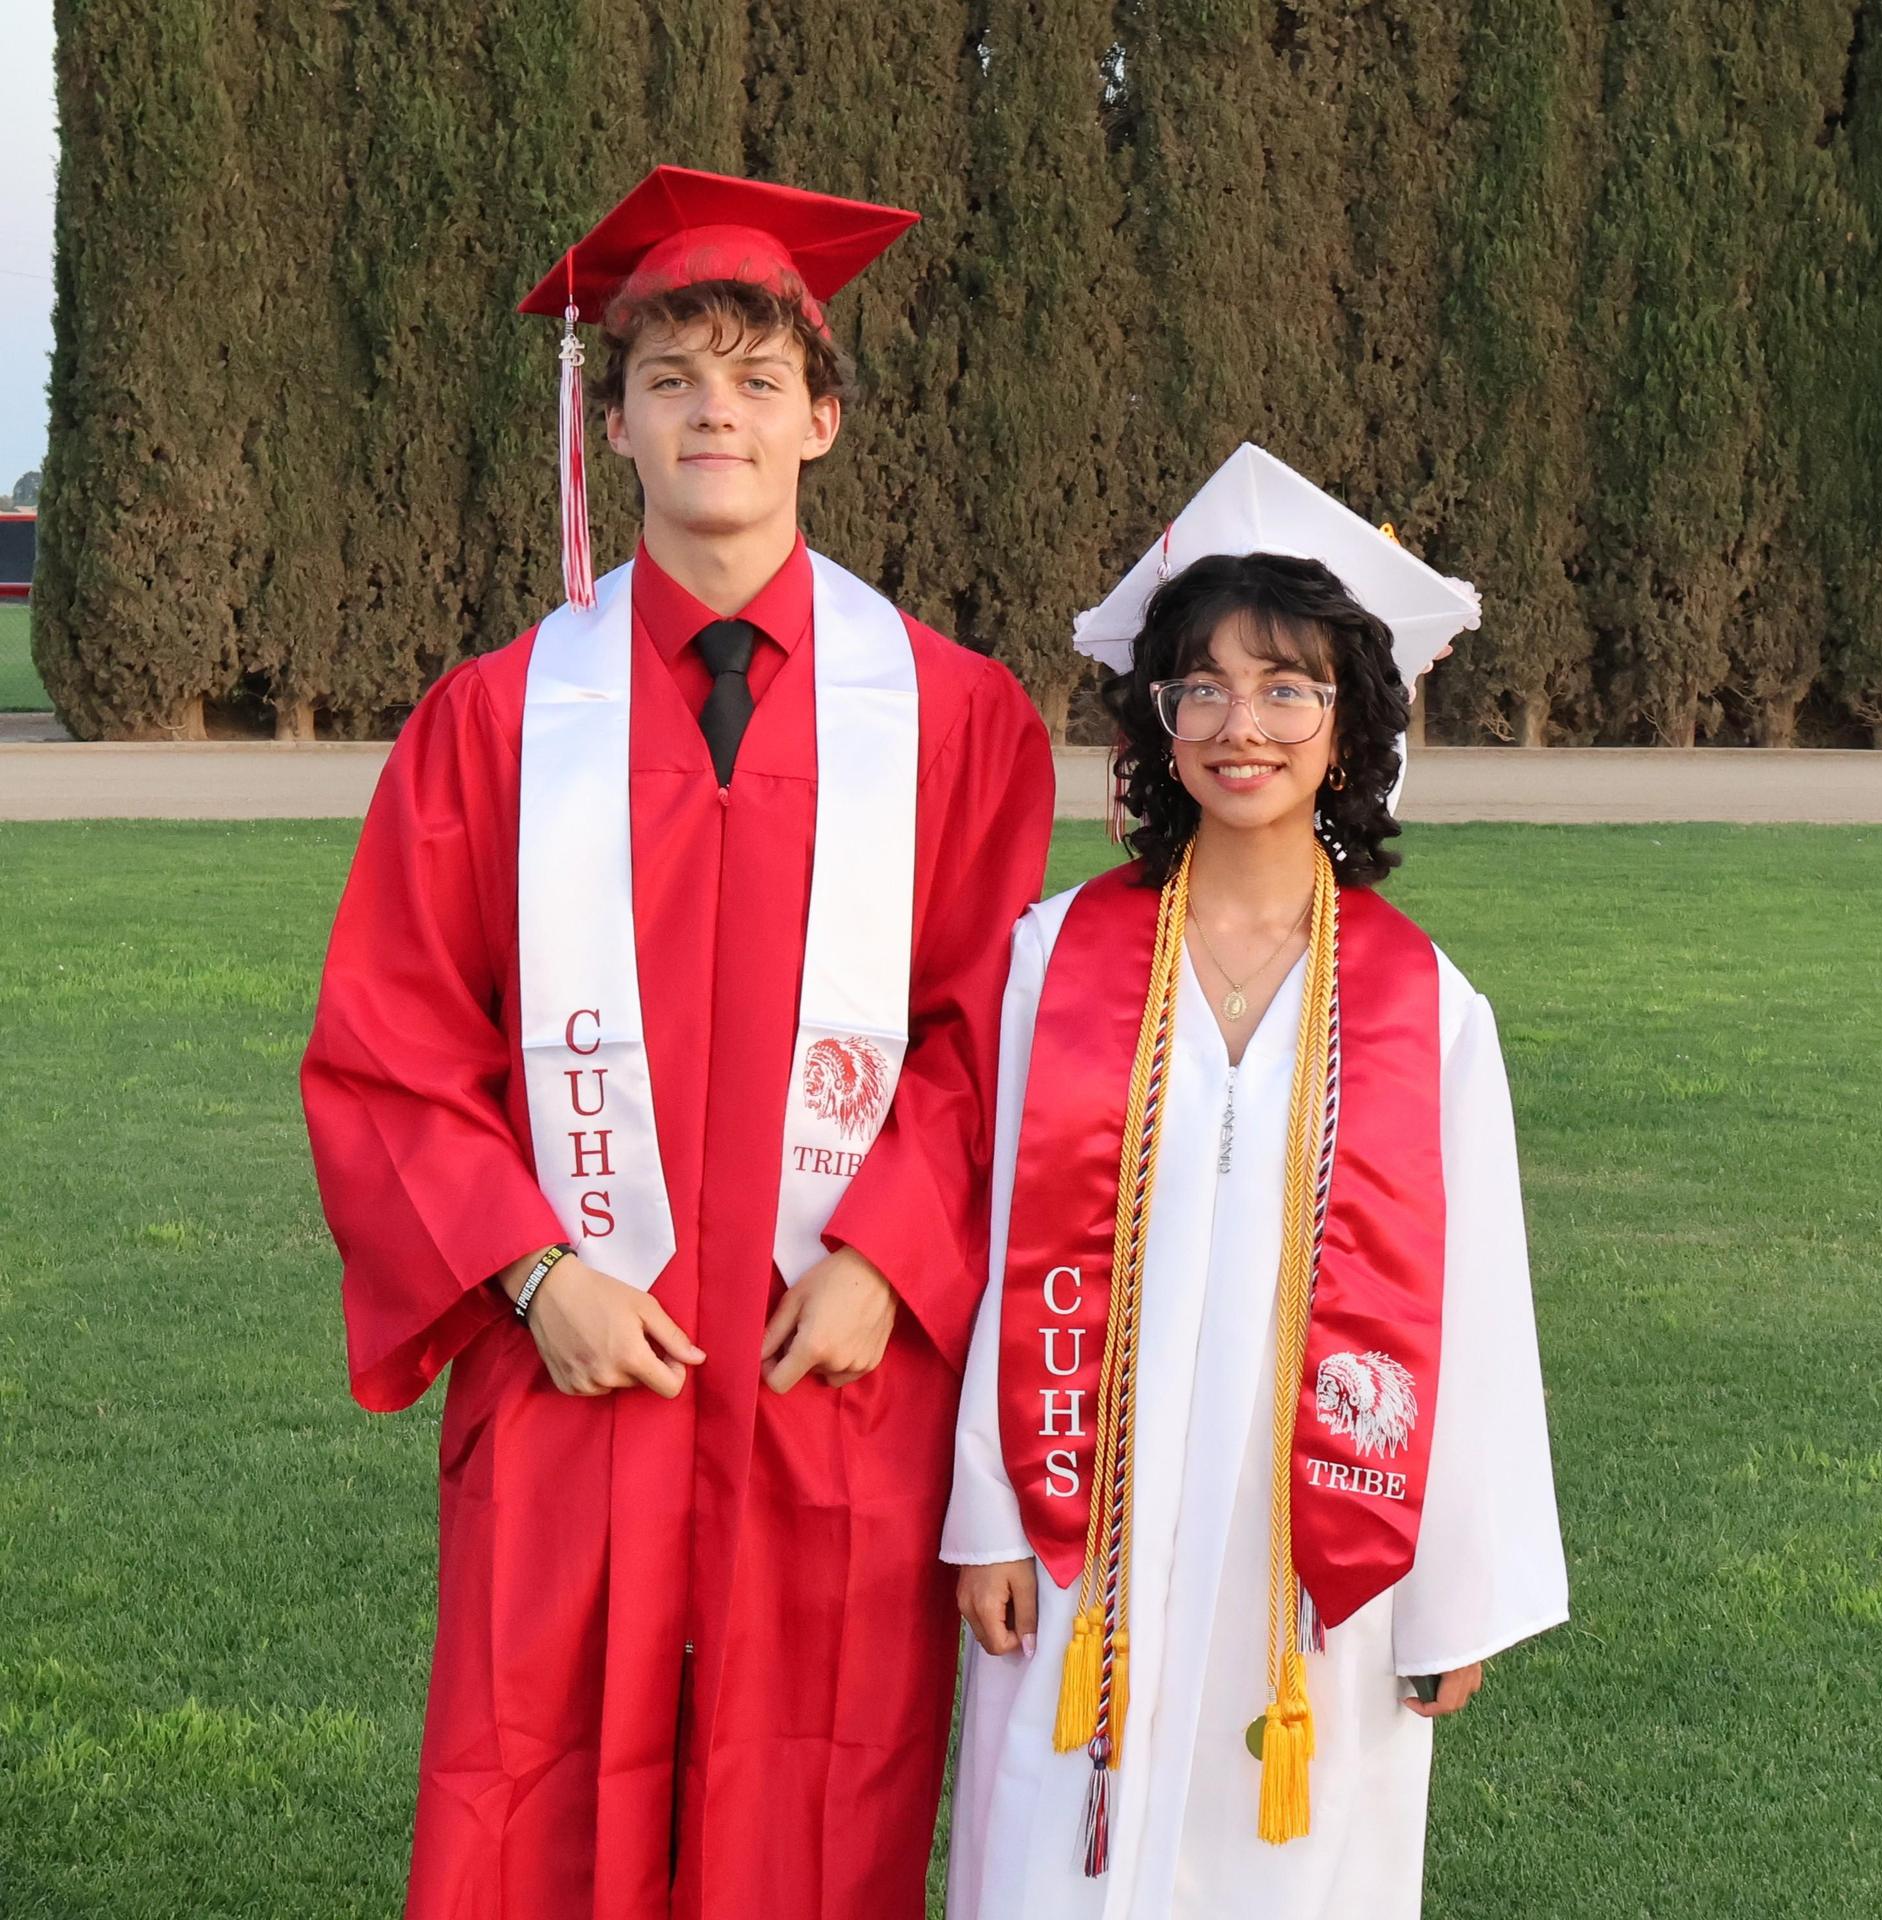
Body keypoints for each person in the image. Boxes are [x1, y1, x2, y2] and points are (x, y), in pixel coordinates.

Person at [301, 165, 1055, 1919]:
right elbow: (390, 1051)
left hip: (830, 1379)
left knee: (817, 1797)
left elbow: (987, 1032)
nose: (716, 407)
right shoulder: (495, 721)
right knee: (537, 1793)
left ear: (823, 419)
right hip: (584, 1379)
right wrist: (525, 1274)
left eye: (756, 376)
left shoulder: (956, 718)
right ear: (613, 427)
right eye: (670, 379)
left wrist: (890, 1248)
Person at [940, 446, 1566, 1918]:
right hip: (1079, 1521)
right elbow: (985, 1251)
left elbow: (1474, 1311)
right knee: (1053, 1853)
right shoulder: (1052, 961)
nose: (1242, 726)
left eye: (1289, 687)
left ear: (1352, 724)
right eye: (1200, 688)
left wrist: (1451, 1588)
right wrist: (983, 1513)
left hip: (1314, 1552)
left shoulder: (1427, 1009)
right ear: (1153, 724)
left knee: (1287, 1869)